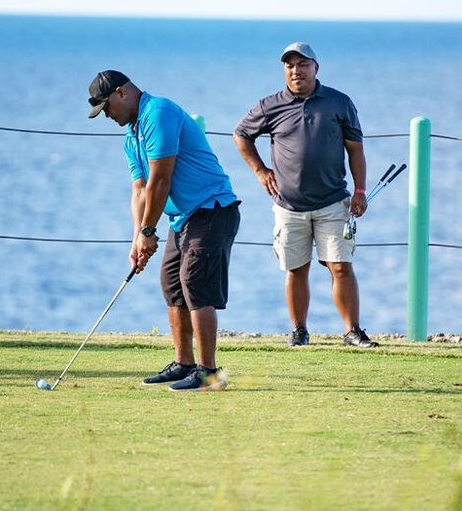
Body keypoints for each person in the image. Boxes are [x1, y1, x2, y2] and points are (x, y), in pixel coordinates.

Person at [87, 70, 241, 391]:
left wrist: (148, 230)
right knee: (171, 282)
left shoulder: (159, 113)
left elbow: (161, 179)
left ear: (122, 93)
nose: (107, 116)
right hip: (183, 217)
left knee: (194, 281)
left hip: (212, 208)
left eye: (107, 108)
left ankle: (209, 372)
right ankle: (185, 363)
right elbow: (140, 190)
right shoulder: (132, 135)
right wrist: (137, 238)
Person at [233, 42, 379, 348]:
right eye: (289, 65)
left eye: (302, 64)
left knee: (341, 266)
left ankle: (352, 331)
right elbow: (242, 134)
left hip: (333, 201)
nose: (296, 71)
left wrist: (360, 190)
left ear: (316, 68)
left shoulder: (340, 102)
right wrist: (260, 171)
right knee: (296, 269)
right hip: (289, 206)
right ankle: (299, 331)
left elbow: (355, 149)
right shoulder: (269, 105)